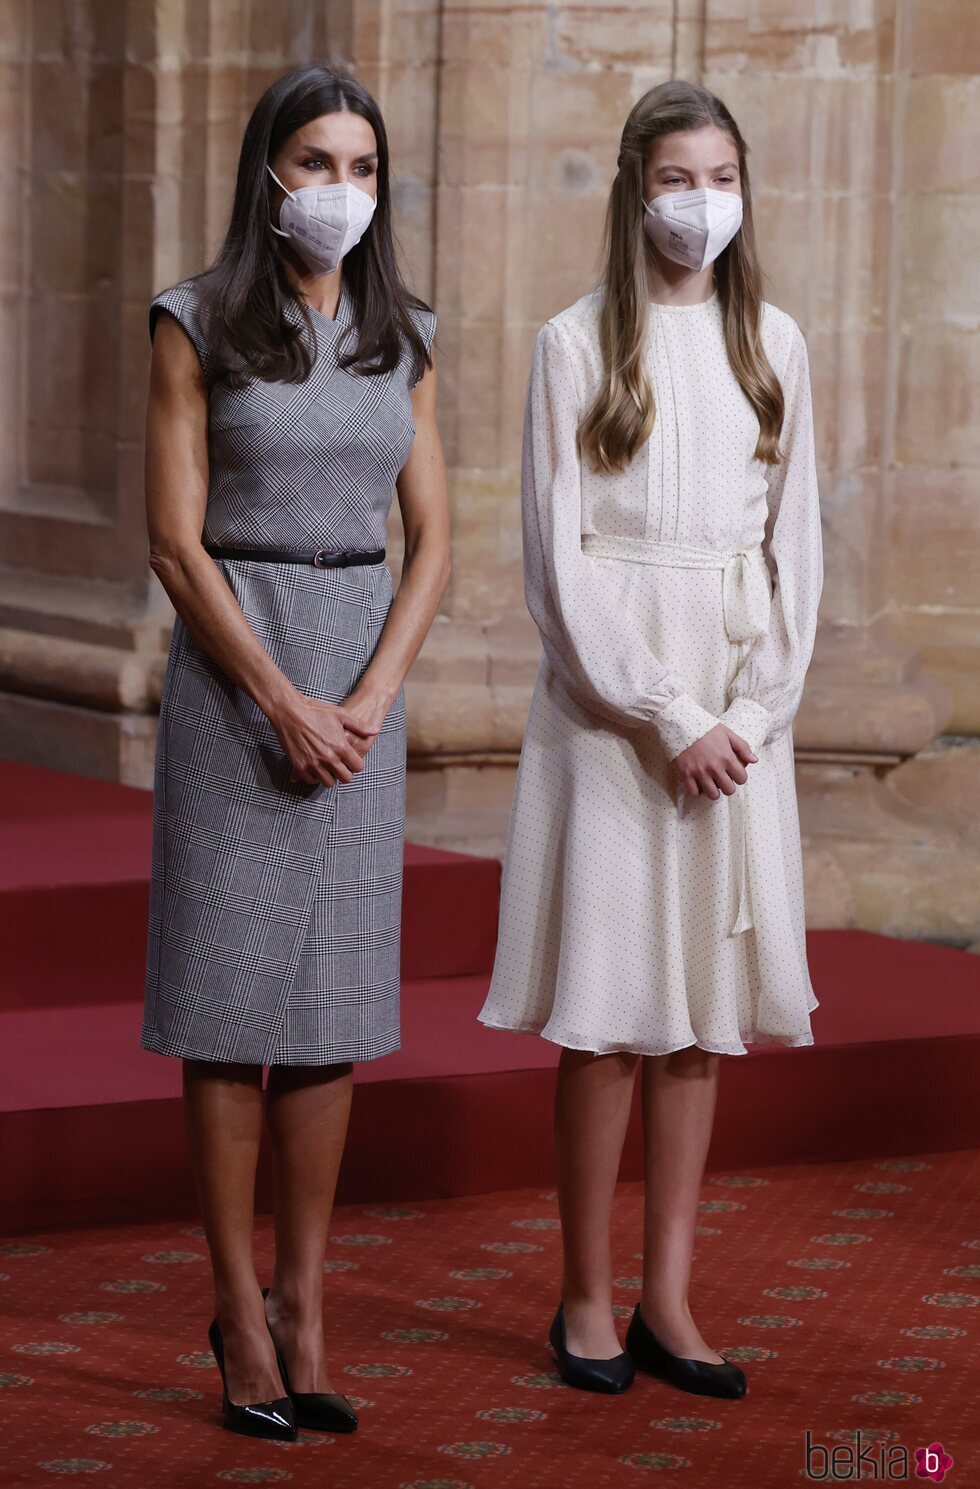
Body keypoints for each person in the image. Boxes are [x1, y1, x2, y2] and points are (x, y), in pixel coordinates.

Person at [478, 80, 823, 1401]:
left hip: (738, 719)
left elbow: (797, 551)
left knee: (699, 1022)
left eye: (721, 175)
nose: (701, 201)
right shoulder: (575, 346)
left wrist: (746, 714)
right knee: (612, 1018)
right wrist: (667, 712)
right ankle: (584, 1290)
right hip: (613, 716)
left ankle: (671, 1290)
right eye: (678, 177)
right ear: (637, 189)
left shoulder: (773, 345)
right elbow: (555, 561)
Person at [142, 62, 449, 1441]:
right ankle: (231, 1309)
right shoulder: (195, 321)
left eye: (364, 167)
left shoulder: (410, 334)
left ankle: (306, 1306)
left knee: (329, 1020)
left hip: (360, 683)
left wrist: (372, 692)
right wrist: (275, 692)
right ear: (268, 171)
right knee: (228, 1009)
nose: (342, 189)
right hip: (237, 672)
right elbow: (170, 538)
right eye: (316, 161)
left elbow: (435, 537)